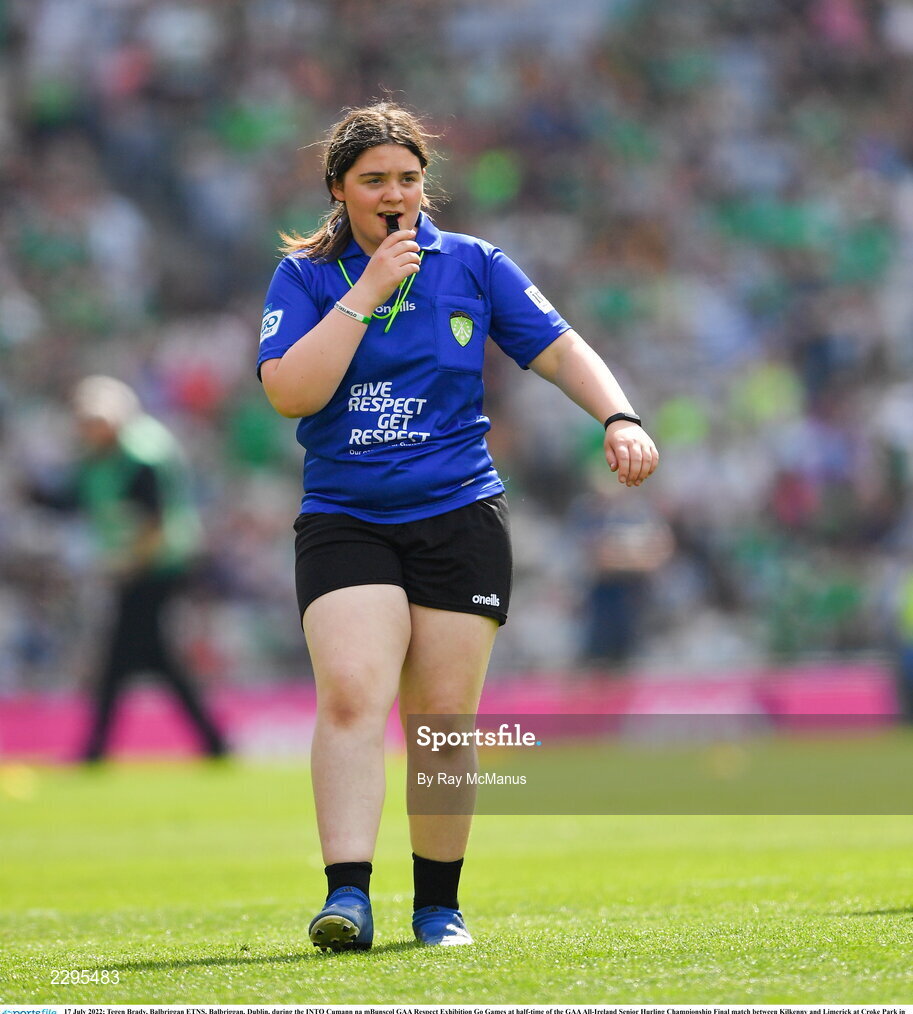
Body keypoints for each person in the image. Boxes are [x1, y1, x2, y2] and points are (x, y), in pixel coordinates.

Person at [257, 101, 658, 950]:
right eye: (374, 180)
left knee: (441, 719)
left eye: (408, 178)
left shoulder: (474, 264)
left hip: (458, 514)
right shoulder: (304, 277)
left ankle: (438, 906)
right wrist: (368, 289)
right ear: (338, 190)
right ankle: (347, 896)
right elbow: (291, 392)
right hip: (347, 517)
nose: (394, 194)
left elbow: (559, 348)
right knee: (352, 693)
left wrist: (618, 416)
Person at [69, 375, 228, 762]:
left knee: (120, 655)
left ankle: (95, 750)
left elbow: (155, 526)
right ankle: (214, 743)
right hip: (143, 566)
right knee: (153, 656)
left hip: (157, 567)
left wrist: (123, 563)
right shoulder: (111, 454)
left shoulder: (141, 456)